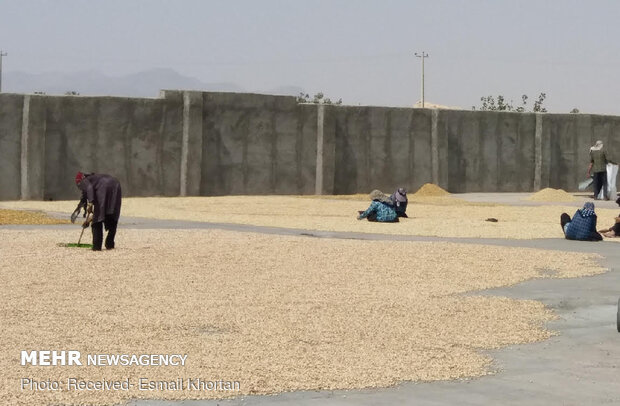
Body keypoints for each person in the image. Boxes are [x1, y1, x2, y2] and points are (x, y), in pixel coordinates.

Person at [74, 172, 122, 251]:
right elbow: (103, 210)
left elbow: (89, 188)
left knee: (97, 221)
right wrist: (89, 220)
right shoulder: (95, 179)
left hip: (103, 186)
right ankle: (110, 244)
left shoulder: (84, 180)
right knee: (112, 213)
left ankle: (97, 246)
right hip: (116, 184)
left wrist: (90, 203)